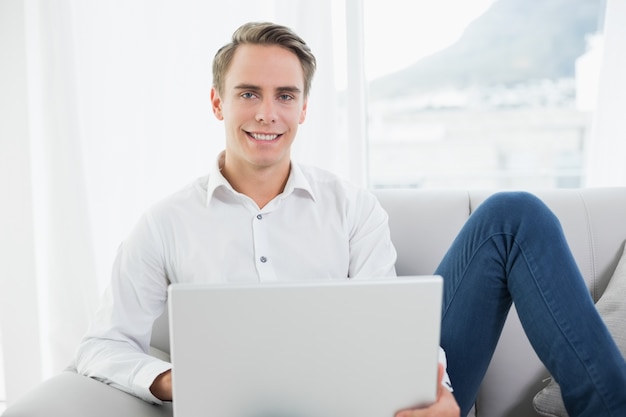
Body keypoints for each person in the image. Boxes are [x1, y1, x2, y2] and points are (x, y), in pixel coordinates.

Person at [73, 22, 626, 417]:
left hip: (373, 407)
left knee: (513, 215)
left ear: (305, 109)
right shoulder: (166, 223)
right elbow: (101, 345)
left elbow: (391, 334)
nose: (268, 113)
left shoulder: (350, 207)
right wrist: (170, 380)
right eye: (248, 93)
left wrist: (432, 390)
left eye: (285, 96)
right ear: (218, 103)